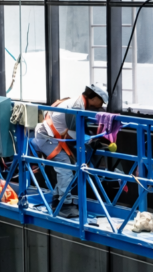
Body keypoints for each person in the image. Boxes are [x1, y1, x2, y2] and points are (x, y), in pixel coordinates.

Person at [33, 83, 109, 217]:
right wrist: (92, 140)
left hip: (53, 137)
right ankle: (64, 204)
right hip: (47, 138)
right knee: (65, 167)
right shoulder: (76, 107)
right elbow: (75, 134)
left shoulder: (80, 103)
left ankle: (58, 198)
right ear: (94, 97)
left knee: (68, 167)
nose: (101, 104)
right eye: (101, 101)